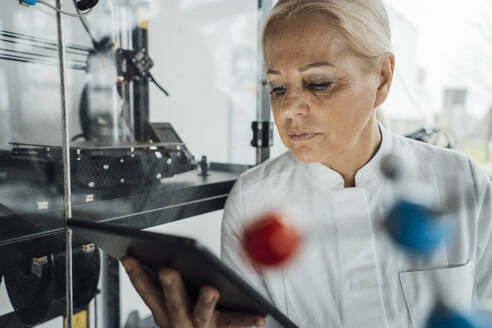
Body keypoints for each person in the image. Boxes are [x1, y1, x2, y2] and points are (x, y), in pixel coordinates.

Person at [121, 0, 492, 327]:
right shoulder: (254, 201)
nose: (288, 109)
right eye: (277, 87)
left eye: (318, 83)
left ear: (382, 78)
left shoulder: (463, 182)